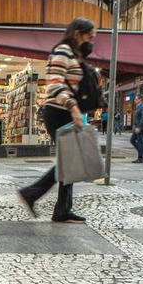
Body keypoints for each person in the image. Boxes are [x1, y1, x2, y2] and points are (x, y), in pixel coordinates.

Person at [17, 17, 96, 224]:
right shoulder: (62, 51)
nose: (91, 40)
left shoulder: (73, 53)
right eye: (89, 36)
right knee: (68, 162)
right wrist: (74, 108)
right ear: (77, 33)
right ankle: (31, 194)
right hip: (59, 112)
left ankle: (62, 210)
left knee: (70, 162)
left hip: (67, 112)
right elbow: (54, 85)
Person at [130, 94, 143, 163]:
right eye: (135, 99)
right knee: (132, 140)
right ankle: (142, 153)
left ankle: (140, 158)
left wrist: (139, 127)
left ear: (140, 99)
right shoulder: (138, 106)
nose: (135, 100)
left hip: (141, 127)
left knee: (140, 142)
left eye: (136, 99)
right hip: (137, 126)